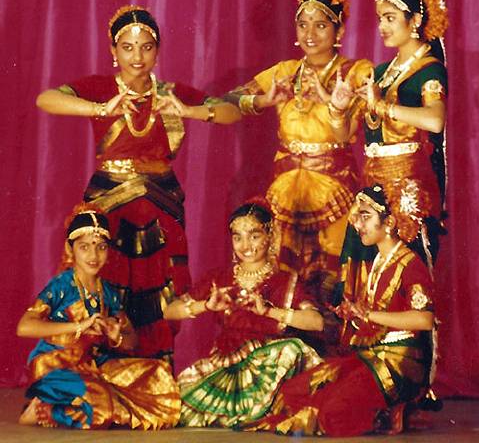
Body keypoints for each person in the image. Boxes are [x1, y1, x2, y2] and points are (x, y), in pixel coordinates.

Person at [36, 5, 238, 360]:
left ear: (157, 50)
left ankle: (154, 361)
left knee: (160, 283)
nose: (137, 56)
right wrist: (100, 110)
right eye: (127, 48)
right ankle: (101, 361)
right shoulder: (99, 88)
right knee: (106, 273)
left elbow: (230, 111)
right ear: (113, 52)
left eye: (146, 46)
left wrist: (189, 111)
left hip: (161, 202)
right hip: (109, 198)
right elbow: (46, 99)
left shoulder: (173, 93)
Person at [221, 0, 372, 331]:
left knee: (334, 278)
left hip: (335, 192)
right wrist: (262, 101)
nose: (310, 33)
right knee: (286, 279)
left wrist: (333, 103)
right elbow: (225, 102)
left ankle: (334, 367)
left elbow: (346, 133)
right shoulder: (284, 72)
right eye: (303, 24)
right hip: (285, 193)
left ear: (340, 30)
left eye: (321, 25)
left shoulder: (355, 72)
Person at [249, 185, 435, 437]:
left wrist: (367, 315)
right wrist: (352, 314)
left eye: (366, 216)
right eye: (357, 216)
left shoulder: (410, 265)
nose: (357, 224)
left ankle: (388, 413)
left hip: (399, 362)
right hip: (369, 355)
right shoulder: (374, 263)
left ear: (389, 221)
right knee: (295, 392)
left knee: (331, 412)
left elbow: (424, 319)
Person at [16, 205, 181, 429]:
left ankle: (66, 401)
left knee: (157, 373)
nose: (94, 256)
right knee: (100, 402)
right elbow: (24, 327)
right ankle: (44, 410)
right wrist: (79, 326)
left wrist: (117, 336)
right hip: (56, 363)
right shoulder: (62, 285)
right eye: (84, 247)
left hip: (93, 364)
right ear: (70, 248)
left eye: (101, 247)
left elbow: (131, 341)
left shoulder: (108, 291)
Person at [163, 200, 323, 428]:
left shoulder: (285, 281)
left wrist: (269, 311)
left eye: (254, 236)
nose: (245, 245)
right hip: (226, 365)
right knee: (182, 408)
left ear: (270, 236)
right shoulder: (220, 278)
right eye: (237, 237)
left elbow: (316, 322)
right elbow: (170, 311)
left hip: (269, 366)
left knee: (293, 348)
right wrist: (206, 306)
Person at [347, 0, 449, 272]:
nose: (382, 27)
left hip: (409, 185)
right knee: (372, 271)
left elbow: (435, 119)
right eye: (380, 19)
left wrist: (381, 105)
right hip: (374, 182)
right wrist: (340, 109)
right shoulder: (380, 72)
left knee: (408, 267)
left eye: (390, 18)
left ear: (415, 20)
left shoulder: (429, 70)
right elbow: (350, 133)